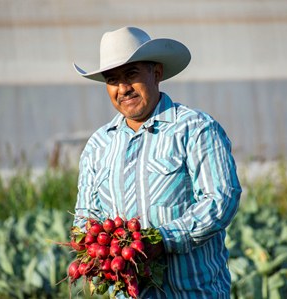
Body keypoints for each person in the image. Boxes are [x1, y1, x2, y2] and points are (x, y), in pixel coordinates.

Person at [73, 26, 241, 299]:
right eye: (113, 80)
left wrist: (164, 239)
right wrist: (95, 248)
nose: (123, 88)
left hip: (193, 292)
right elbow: (85, 216)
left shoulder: (196, 129)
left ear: (157, 73)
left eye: (131, 74)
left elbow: (221, 199)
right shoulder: (98, 146)